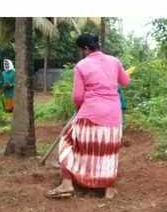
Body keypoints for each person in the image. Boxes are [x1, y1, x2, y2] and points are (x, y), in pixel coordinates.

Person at [46, 34, 131, 199]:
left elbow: (78, 97)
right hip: (113, 115)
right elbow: (126, 82)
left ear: (85, 48)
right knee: (107, 151)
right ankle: (108, 189)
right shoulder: (114, 61)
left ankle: (67, 184)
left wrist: (80, 110)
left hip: (90, 113)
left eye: (81, 50)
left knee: (68, 142)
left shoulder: (81, 65)